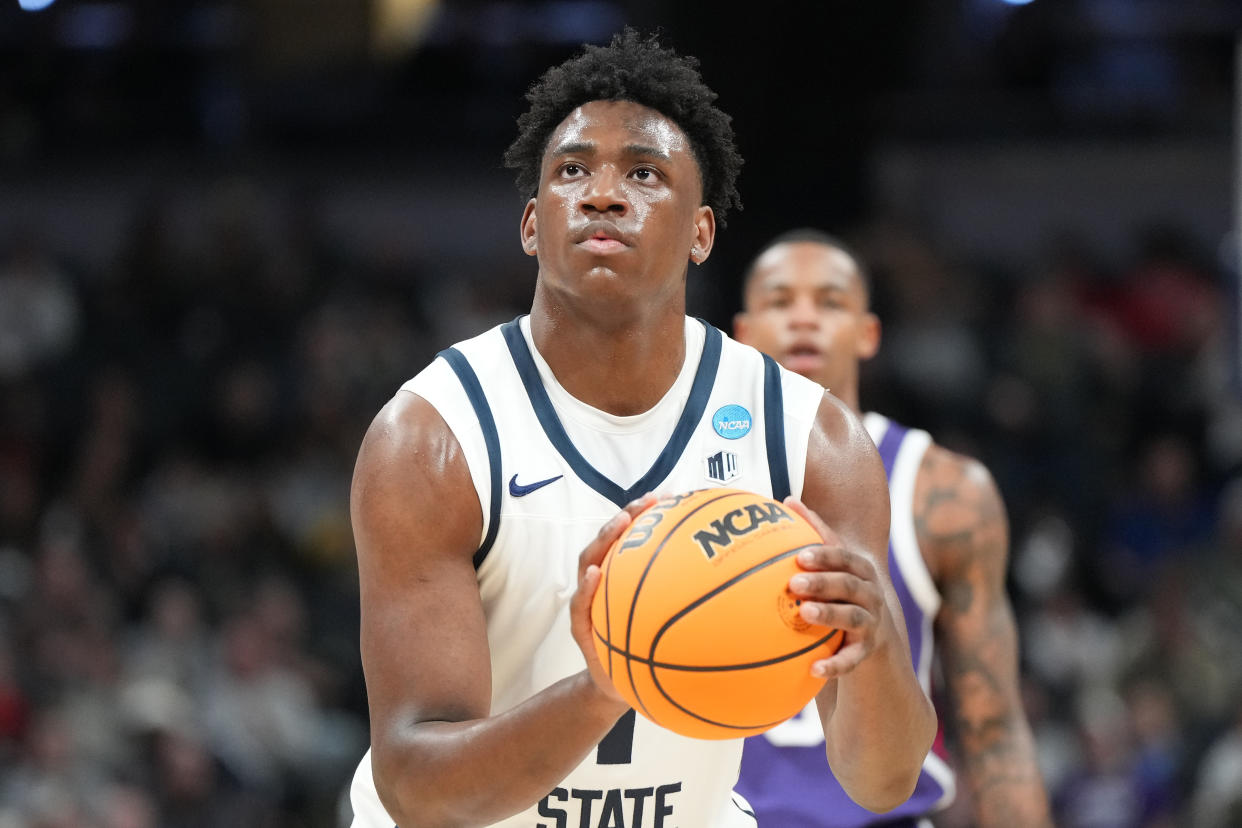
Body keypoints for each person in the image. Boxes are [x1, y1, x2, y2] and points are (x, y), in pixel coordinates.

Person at [345, 32, 936, 828]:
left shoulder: (810, 441)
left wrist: (875, 653)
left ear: (701, 232)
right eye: (572, 170)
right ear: (531, 224)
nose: (602, 194)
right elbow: (416, 786)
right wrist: (607, 687)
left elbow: (880, 781)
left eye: (645, 174)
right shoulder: (432, 438)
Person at [732, 229, 1053, 827]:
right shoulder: (687, 481)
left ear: (867, 333)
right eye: (780, 302)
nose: (804, 320)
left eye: (830, 303)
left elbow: (995, 728)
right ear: (743, 334)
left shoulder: (944, 490)